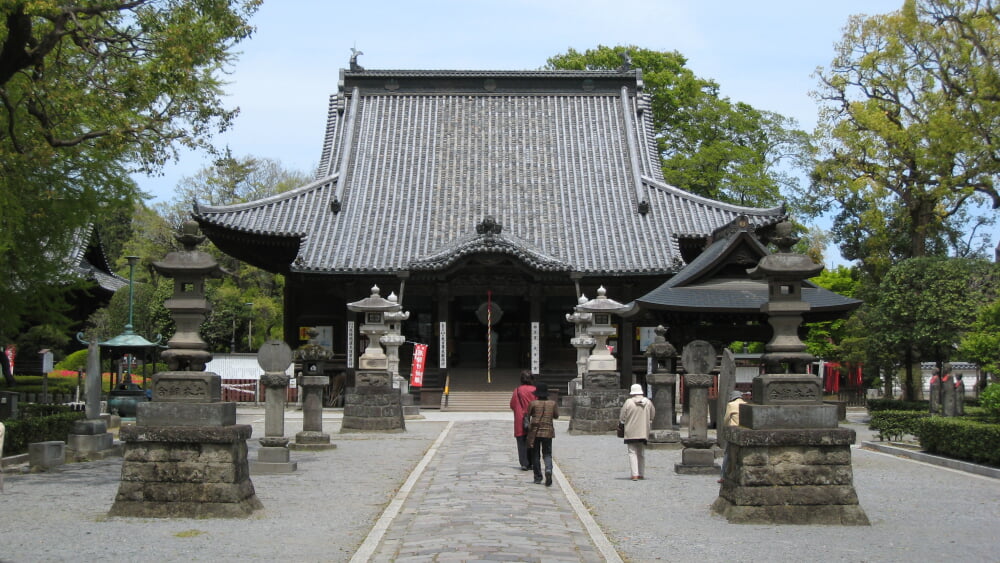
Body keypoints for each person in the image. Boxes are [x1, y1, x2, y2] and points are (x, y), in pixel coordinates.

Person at [619, 383, 655, 481]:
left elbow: (622, 417)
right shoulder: (648, 402)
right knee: (641, 453)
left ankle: (634, 474)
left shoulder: (628, 402)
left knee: (632, 452)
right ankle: (641, 473)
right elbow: (652, 414)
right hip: (643, 430)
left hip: (630, 430)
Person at [525, 382, 559, 486]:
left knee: (535, 454)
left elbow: (528, 414)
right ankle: (548, 469)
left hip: (535, 432)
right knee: (547, 454)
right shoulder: (552, 404)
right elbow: (556, 416)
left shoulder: (533, 403)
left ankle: (538, 477)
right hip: (548, 431)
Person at [509, 371, 536, 471]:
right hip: (533, 419)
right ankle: (533, 462)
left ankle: (524, 463)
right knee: (533, 441)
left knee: (521, 442)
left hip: (520, 419)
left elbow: (512, 404)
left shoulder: (517, 391)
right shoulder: (535, 390)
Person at [719, 389, 746, 483]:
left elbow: (726, 419)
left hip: (733, 430)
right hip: (743, 430)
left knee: (728, 454)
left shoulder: (731, 405)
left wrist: (725, 428)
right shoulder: (745, 404)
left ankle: (723, 475)